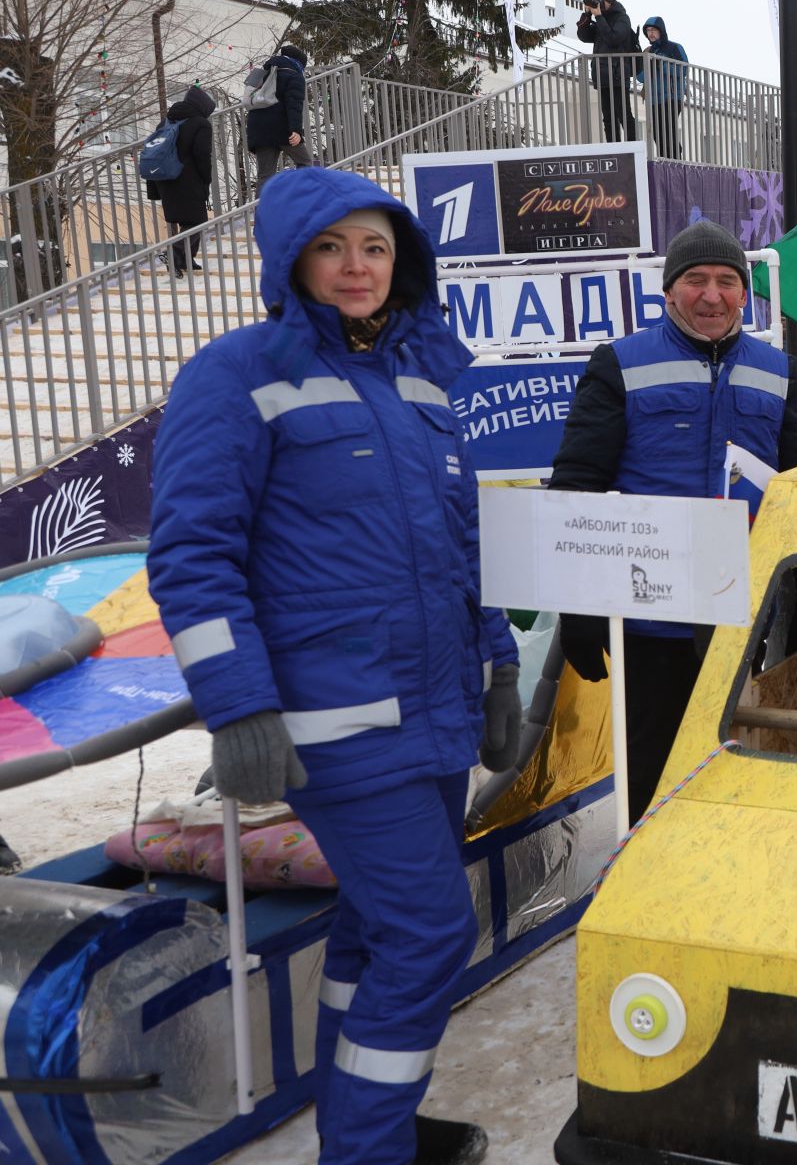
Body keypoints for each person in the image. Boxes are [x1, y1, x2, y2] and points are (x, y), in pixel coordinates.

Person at [148, 166, 522, 1165]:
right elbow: (192, 552)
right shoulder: (235, 373)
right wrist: (238, 708)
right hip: (336, 721)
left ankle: (367, 1121)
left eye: (376, 247)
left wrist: (499, 668)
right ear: (291, 258)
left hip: (434, 712)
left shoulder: (418, 380)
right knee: (431, 931)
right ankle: (366, 1149)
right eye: (332, 245)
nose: (357, 267)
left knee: (372, 932)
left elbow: (460, 548)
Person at [548, 220, 797, 823]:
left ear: (743, 291)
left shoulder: (777, 369)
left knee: (730, 771)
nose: (712, 295)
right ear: (669, 291)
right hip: (647, 621)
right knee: (652, 779)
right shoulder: (619, 363)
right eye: (696, 280)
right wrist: (577, 606)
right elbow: (577, 485)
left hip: (742, 616)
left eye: (727, 281)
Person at [144, 83, 216, 276]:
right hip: (188, 180)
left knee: (188, 220)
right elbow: (202, 154)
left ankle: (185, 259)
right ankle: (173, 253)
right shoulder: (201, 124)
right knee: (196, 221)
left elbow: (154, 150)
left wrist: (155, 188)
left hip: (166, 179)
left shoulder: (166, 122)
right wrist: (206, 179)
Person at [246, 44, 313, 192]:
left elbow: (249, 99)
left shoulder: (262, 72)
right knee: (305, 163)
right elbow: (294, 105)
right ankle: (303, 199)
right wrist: (295, 130)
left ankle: (262, 213)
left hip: (258, 129)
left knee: (265, 175)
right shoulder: (294, 75)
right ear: (299, 63)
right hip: (282, 128)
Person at [575, 0, 638, 143]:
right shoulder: (599, 18)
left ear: (610, 1)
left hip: (618, 73)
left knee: (623, 113)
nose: (599, 5)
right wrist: (587, 15)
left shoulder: (622, 18)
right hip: (602, 75)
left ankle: (631, 146)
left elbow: (613, 38)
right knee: (608, 116)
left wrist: (599, 17)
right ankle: (613, 147)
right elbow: (583, 36)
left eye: (601, 1)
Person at [640, 16, 688, 159]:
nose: (651, 33)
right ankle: (663, 159)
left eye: (654, 30)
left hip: (672, 97)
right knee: (657, 132)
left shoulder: (674, 47)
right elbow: (640, 77)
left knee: (669, 130)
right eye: (648, 31)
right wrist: (650, 67)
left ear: (661, 31)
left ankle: (674, 161)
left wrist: (661, 64)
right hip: (654, 99)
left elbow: (683, 70)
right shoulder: (647, 51)